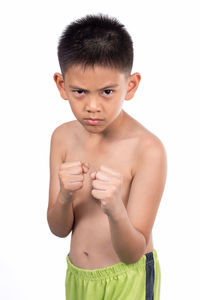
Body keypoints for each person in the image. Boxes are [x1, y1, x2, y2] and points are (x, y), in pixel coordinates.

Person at [47, 13, 167, 300]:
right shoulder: (61, 137)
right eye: (79, 91)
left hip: (128, 280)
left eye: (107, 92)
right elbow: (58, 228)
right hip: (78, 278)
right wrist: (64, 195)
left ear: (131, 85)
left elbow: (132, 252)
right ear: (62, 86)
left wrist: (115, 208)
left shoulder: (147, 149)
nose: (92, 106)